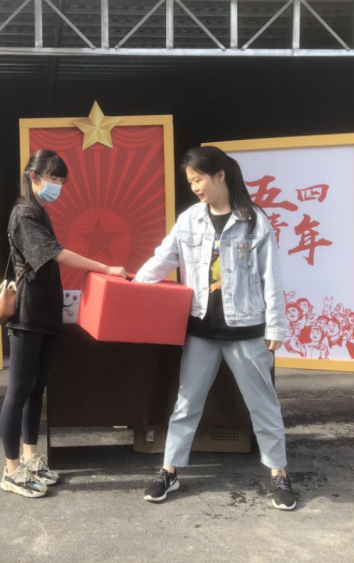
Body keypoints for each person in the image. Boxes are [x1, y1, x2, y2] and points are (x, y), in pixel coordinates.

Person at [133, 146, 296, 511]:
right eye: (190, 181)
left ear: (220, 175)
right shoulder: (190, 219)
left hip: (246, 331)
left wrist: (276, 327)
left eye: (198, 179)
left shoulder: (254, 220)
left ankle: (279, 473)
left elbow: (271, 277)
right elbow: (163, 258)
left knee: (263, 405)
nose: (194, 187)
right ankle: (169, 471)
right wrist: (132, 288)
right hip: (201, 331)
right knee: (186, 403)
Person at [0, 149, 126, 498]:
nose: (57, 185)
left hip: (45, 313)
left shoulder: (40, 212)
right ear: (34, 177)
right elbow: (55, 254)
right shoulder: (24, 213)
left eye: (61, 180)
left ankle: (30, 459)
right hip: (27, 315)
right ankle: (11, 470)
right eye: (53, 178)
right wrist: (105, 267)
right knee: (18, 390)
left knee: (36, 388)